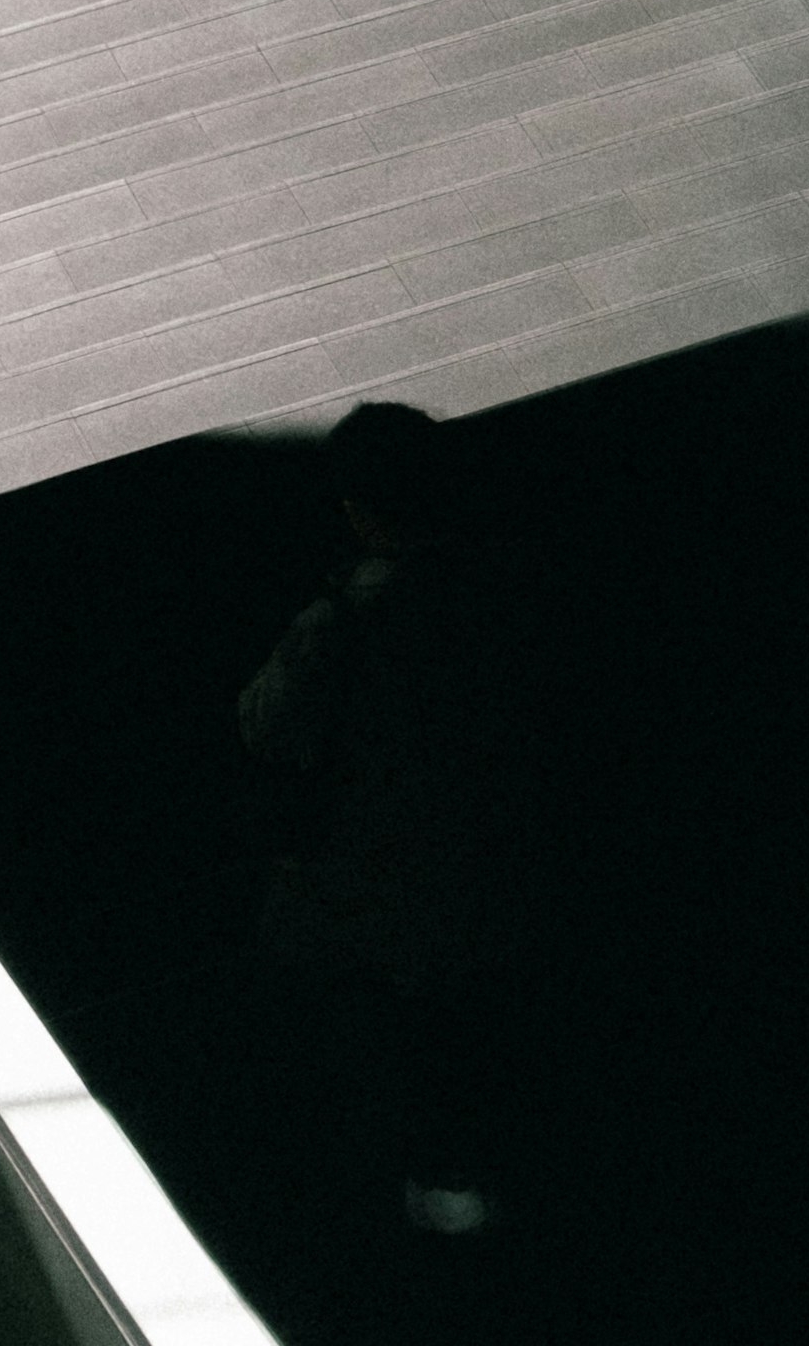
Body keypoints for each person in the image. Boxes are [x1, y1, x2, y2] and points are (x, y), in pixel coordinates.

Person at [239, 403, 519, 1252]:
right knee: (460, 1017)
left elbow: (265, 726)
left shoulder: (343, 625)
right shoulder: (501, 590)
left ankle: (377, 1183)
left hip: (374, 869)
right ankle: (452, 1185)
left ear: (359, 511)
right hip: (490, 850)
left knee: (366, 1017)